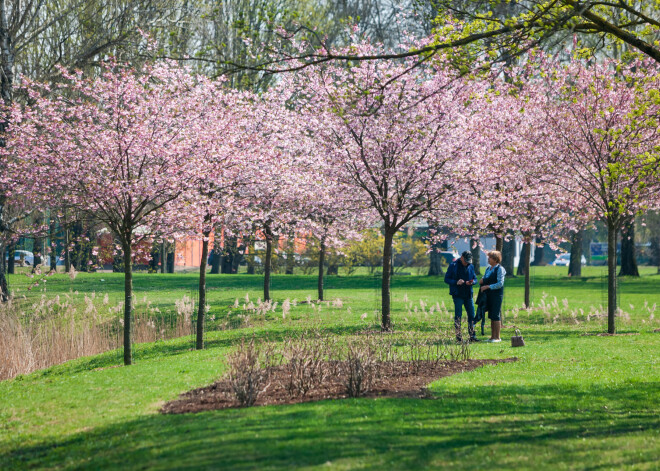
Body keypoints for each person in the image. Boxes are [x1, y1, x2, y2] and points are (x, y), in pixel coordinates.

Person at [444, 251, 478, 342]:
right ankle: (459, 337)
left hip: (468, 294)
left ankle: (472, 336)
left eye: (468, 261)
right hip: (457, 294)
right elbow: (446, 279)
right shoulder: (453, 265)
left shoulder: (471, 266)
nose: (467, 263)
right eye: (465, 261)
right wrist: (456, 282)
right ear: (461, 257)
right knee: (458, 315)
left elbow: (475, 278)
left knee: (471, 315)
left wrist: (472, 282)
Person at [480, 250, 506, 343]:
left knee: (495, 315)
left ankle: (497, 337)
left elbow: (500, 283)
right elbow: (485, 278)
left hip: (496, 295)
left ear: (495, 259)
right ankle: (492, 336)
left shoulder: (500, 269)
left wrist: (488, 286)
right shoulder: (488, 269)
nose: (488, 259)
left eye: (490, 257)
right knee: (491, 315)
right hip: (488, 295)